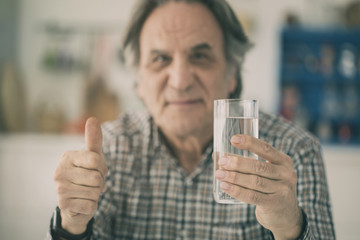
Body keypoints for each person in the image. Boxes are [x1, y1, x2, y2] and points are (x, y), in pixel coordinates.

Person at [46, 0, 336, 239]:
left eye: (200, 56)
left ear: (231, 73)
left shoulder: (295, 150)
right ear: (139, 82)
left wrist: (290, 228)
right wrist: (72, 223)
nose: (181, 80)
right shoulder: (111, 148)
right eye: (160, 59)